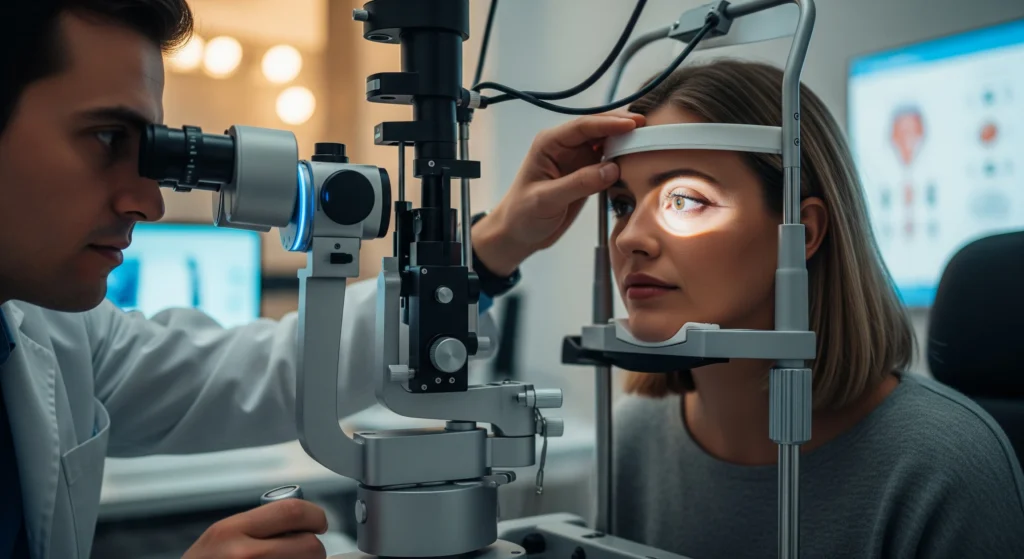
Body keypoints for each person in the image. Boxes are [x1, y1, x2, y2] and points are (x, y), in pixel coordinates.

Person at [0, 1, 643, 558]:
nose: (151, 201)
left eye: (150, 151)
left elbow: (265, 375)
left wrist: (492, 246)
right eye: (108, 137)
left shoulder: (55, 332)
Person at [553, 59, 1024, 558]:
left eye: (685, 199)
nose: (630, 239)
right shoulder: (632, 438)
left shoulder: (944, 466)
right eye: (622, 204)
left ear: (803, 233)